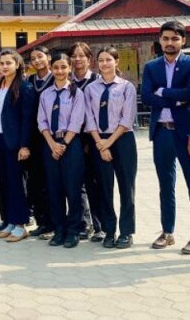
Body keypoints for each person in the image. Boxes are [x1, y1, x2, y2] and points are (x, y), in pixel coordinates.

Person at [141, 21, 190, 254]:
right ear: (160, 40)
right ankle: (167, 232)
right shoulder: (151, 67)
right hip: (161, 132)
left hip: (186, 133)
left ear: (183, 40)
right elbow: (146, 97)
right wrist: (177, 99)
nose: (170, 43)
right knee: (165, 185)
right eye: (166, 38)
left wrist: (164, 92)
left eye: (175, 38)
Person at [84, 47, 138, 249]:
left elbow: (127, 119)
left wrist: (108, 142)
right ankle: (109, 231)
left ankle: (126, 232)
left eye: (109, 59)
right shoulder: (90, 89)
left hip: (122, 140)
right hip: (99, 140)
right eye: (101, 60)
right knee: (104, 188)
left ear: (116, 62)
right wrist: (100, 143)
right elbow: (89, 118)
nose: (105, 63)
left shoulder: (126, 87)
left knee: (126, 187)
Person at [37, 53, 86, 248]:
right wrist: (52, 144)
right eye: (56, 67)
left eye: (63, 67)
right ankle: (59, 230)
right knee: (54, 189)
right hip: (50, 144)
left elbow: (76, 121)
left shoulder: (76, 93)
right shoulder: (45, 94)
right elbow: (42, 121)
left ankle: (73, 231)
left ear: (69, 68)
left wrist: (63, 144)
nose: (59, 71)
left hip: (71, 144)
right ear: (51, 68)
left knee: (73, 189)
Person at [0, 50, 35, 243]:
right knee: (3, 182)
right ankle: (8, 221)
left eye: (8, 63)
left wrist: (24, 145)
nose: (3, 67)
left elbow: (27, 119)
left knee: (16, 184)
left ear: (17, 64)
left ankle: (20, 225)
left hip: (15, 143)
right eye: (0, 64)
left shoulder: (24, 87)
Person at [68, 41, 104, 242]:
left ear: (89, 59)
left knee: (94, 183)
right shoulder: (67, 81)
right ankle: (83, 224)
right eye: (74, 56)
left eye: (82, 55)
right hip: (72, 138)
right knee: (76, 184)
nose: (78, 59)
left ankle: (100, 227)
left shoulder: (97, 80)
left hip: (93, 137)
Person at [26, 46, 54, 239]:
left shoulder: (57, 78)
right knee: (35, 182)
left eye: (40, 56)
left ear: (48, 57)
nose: (36, 61)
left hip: (52, 137)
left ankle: (54, 222)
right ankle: (42, 222)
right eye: (33, 58)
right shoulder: (29, 81)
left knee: (51, 181)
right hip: (34, 137)